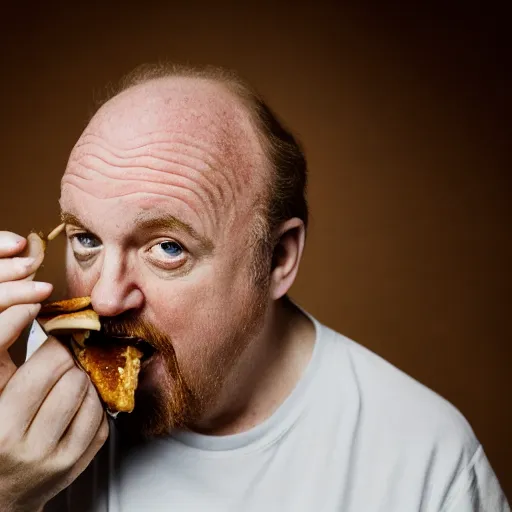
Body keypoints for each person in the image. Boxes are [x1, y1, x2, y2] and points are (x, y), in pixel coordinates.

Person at [0, 64, 508, 512]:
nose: (106, 299)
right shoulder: (22, 391)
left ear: (278, 259)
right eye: (86, 239)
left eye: (169, 248)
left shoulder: (426, 459)